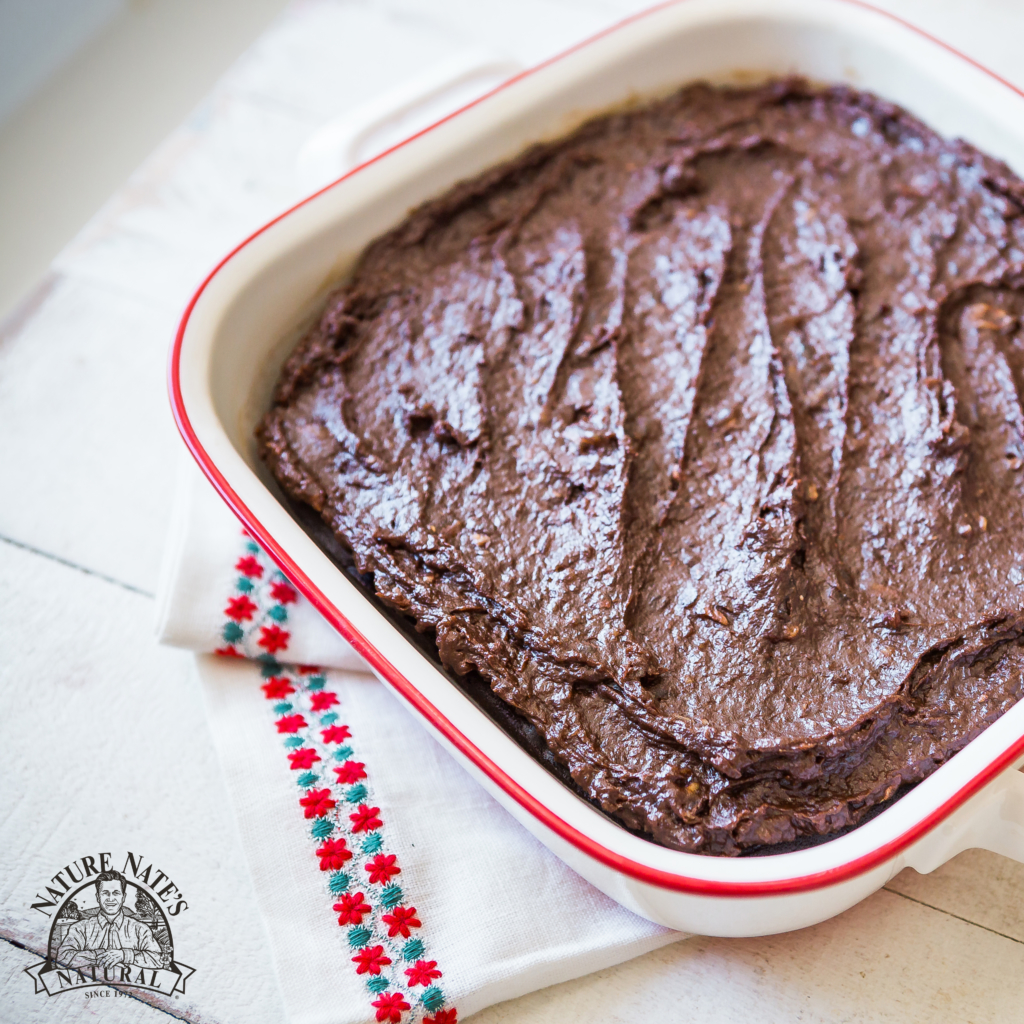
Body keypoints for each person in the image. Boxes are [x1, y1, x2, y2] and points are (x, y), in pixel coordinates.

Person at [56, 870, 163, 970]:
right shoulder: (80, 928)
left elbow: (158, 959)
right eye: (105, 893)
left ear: (123, 897)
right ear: (98, 897)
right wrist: (99, 954)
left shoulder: (140, 929)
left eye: (116, 893)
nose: (110, 899)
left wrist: (124, 955)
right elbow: (62, 958)